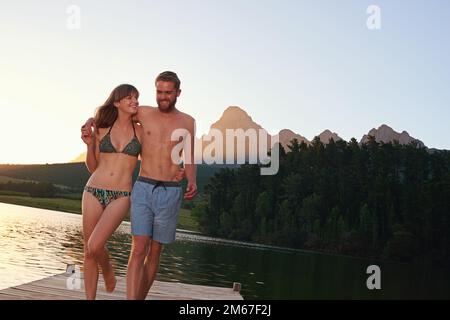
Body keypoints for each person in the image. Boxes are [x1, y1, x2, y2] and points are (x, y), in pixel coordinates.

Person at [83, 71, 197, 300]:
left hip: (159, 191)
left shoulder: (185, 122)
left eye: (168, 92)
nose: (163, 97)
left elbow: (181, 153)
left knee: (154, 251)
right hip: (131, 187)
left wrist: (190, 177)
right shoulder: (142, 113)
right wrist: (90, 124)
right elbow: (108, 118)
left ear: (178, 93)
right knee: (128, 248)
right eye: (159, 91)